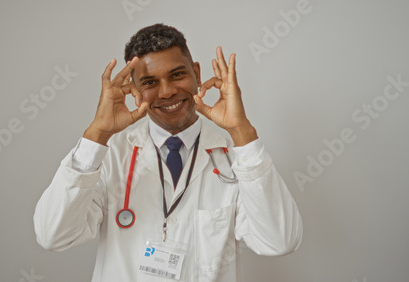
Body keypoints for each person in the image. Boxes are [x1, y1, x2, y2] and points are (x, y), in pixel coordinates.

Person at [34, 23, 302, 281]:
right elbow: (53, 235)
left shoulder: (237, 159)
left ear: (197, 73)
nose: (167, 91)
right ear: (134, 90)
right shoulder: (109, 156)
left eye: (177, 75)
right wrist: (98, 134)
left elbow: (279, 241)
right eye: (150, 82)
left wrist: (242, 131)